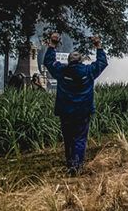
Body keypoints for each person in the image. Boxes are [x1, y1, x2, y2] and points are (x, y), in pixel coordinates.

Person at [43, 33, 108, 175]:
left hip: (65, 111)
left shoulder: (61, 70)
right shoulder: (88, 71)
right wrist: (98, 46)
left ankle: (70, 163)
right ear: (81, 61)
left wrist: (53, 44)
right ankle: (77, 166)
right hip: (82, 111)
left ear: (68, 61)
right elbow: (102, 63)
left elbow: (48, 61)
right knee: (80, 138)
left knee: (68, 138)